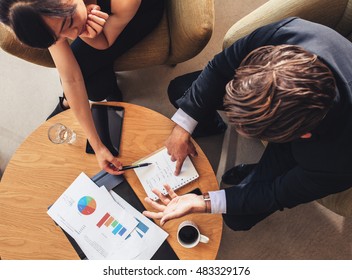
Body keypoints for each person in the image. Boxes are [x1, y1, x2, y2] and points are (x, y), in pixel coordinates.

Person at [142, 17, 352, 231]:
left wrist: (201, 202)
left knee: (237, 218)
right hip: (301, 114)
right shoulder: (287, 34)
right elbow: (219, 67)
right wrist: (182, 127)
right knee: (180, 90)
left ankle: (257, 170)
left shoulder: (337, 163)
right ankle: (214, 127)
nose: (238, 130)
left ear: (300, 136)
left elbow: (276, 193)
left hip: (327, 143)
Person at [0, 0, 164, 174]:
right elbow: (70, 78)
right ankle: (82, 96)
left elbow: (105, 42)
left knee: (94, 85)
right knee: (95, 88)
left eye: (68, 23)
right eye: (59, 37)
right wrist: (98, 146)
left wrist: (87, 34)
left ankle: (74, 99)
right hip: (98, 22)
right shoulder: (44, 16)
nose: (71, 36)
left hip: (139, 13)